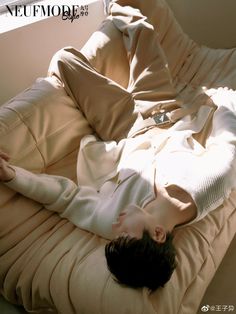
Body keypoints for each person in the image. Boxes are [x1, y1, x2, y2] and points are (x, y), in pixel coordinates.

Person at [1, 2, 236, 292]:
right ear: (159, 233)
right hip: (165, 114)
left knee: (64, 60)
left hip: (125, 128)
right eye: (125, 234)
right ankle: (114, 5)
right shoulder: (211, 184)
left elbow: (63, 199)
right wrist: (223, 101)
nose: (117, 228)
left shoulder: (111, 221)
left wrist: (12, 176)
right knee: (143, 31)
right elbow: (228, 136)